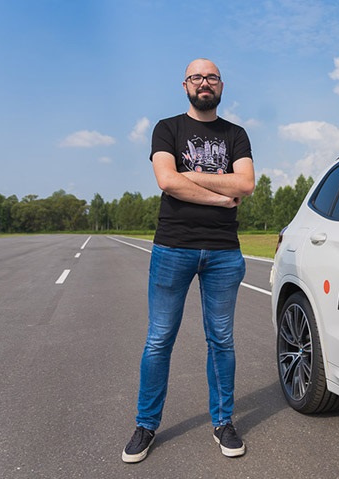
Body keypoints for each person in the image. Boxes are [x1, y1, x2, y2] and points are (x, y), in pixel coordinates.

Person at [122, 58, 255, 463]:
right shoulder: (168, 128)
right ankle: (146, 425)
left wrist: (189, 175)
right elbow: (166, 180)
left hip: (223, 253)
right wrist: (219, 195)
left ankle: (223, 422)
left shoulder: (236, 134)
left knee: (222, 341)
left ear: (221, 85)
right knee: (159, 338)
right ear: (185, 85)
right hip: (173, 247)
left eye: (211, 77)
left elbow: (245, 183)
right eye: (196, 77)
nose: (204, 83)